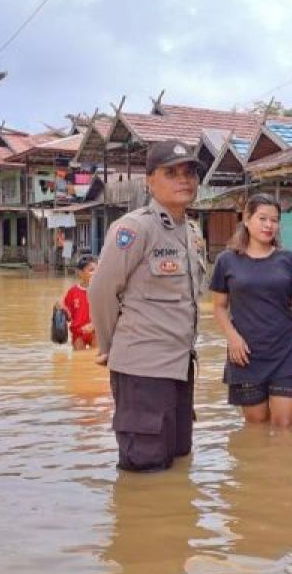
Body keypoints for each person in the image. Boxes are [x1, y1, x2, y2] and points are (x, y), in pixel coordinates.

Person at [88, 142, 208, 472]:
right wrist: (111, 346)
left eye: (189, 172)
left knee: (179, 458)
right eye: (171, 173)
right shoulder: (135, 228)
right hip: (142, 370)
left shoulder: (193, 233)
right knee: (145, 469)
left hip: (180, 366)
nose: (183, 180)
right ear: (149, 181)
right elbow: (100, 291)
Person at [210, 193, 292, 428]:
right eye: (263, 218)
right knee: (256, 427)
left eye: (275, 220)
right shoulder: (226, 261)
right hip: (246, 354)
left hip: (286, 353)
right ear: (246, 219)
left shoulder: (289, 260)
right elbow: (218, 307)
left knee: (285, 427)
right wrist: (232, 338)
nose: (269, 225)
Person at [60, 253, 97, 350]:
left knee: (96, 359)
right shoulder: (73, 292)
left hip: (96, 331)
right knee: (78, 359)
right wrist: (61, 311)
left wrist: (94, 325)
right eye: (91, 270)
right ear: (81, 273)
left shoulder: (101, 291)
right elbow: (68, 316)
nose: (95, 273)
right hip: (78, 333)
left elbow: (108, 313)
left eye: (96, 270)